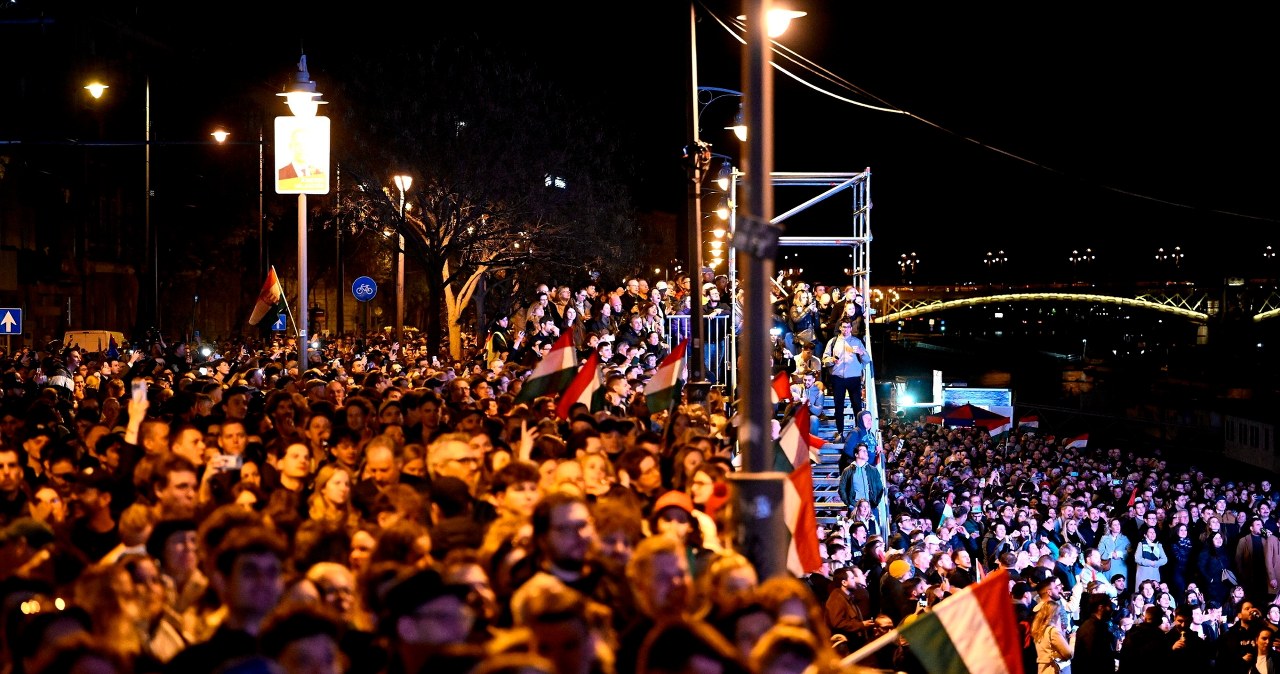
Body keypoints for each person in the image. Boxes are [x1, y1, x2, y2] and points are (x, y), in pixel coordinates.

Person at [821, 317, 870, 442]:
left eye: (848, 327)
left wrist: (861, 352)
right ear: (840, 327)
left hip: (854, 378)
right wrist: (831, 360)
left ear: (851, 328)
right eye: (844, 327)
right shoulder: (833, 341)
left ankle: (859, 433)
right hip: (838, 378)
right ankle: (840, 432)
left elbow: (867, 360)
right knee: (839, 406)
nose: (846, 329)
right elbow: (824, 359)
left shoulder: (857, 342)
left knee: (857, 406)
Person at [837, 444, 884, 515]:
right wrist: (849, 503)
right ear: (856, 454)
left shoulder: (873, 470)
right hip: (855, 507)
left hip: (871, 507)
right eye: (863, 451)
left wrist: (875, 503)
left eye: (866, 451)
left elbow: (879, 488)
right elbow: (841, 488)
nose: (866, 452)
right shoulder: (848, 470)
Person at [1032, 599, 1073, 674]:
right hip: (1054, 670)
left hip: (1043, 670)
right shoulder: (1053, 631)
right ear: (1054, 615)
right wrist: (1073, 639)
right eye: (1059, 614)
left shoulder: (1039, 630)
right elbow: (1068, 654)